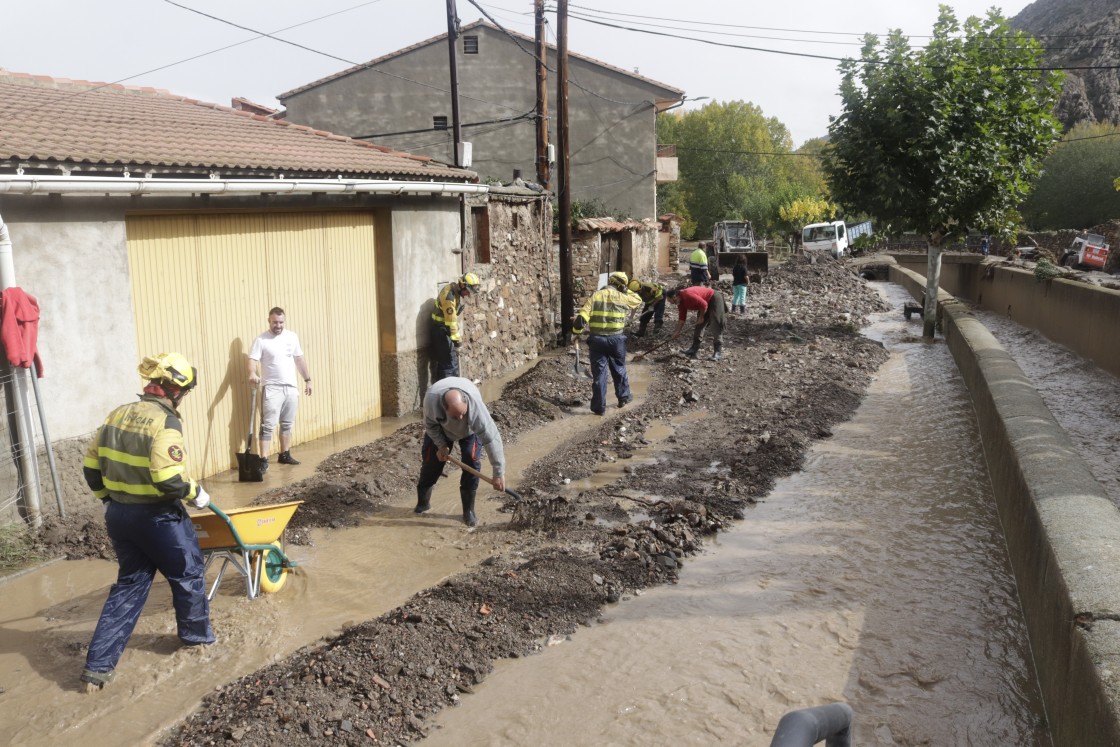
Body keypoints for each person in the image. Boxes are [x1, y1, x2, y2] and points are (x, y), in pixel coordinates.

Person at [80, 353, 215, 691]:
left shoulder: (117, 415)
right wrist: (195, 492)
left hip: (119, 517)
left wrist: (108, 500)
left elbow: (90, 468)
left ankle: (97, 669)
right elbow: (168, 478)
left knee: (129, 586)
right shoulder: (166, 423)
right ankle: (196, 641)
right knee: (188, 575)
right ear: (176, 391)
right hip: (159, 518)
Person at [415, 376, 506, 527]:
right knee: (431, 463)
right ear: (444, 408)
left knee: (471, 461)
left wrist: (498, 473)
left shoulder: (476, 408)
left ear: (466, 403)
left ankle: (468, 511)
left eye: (463, 414)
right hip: (441, 431)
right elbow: (430, 426)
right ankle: (423, 503)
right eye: (456, 416)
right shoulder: (431, 401)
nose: (460, 418)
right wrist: (441, 445)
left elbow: (491, 439)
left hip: (470, 432)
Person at [248, 307, 311, 470]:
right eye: (275, 322)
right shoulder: (261, 340)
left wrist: (308, 379)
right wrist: (251, 373)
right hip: (272, 388)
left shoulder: (292, 337)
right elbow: (252, 360)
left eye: (281, 322)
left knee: (287, 424)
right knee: (268, 425)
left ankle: (285, 454)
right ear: (269, 320)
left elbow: (299, 359)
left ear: (285, 321)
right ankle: (263, 460)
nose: (278, 325)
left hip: (291, 388)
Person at [574, 271, 644, 415]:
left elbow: (581, 318)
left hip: (597, 340)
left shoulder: (596, 295)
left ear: (609, 281)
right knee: (619, 369)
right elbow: (638, 299)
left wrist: (576, 332)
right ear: (621, 286)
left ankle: (599, 408)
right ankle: (623, 398)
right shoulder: (624, 297)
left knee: (599, 374)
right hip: (616, 339)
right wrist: (625, 289)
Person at [430, 272, 481, 382]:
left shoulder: (454, 291)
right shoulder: (450, 298)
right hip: (441, 331)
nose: (468, 294)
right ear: (462, 285)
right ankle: (449, 391)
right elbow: (451, 323)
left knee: (447, 362)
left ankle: (447, 387)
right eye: (468, 291)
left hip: (444, 329)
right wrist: (458, 342)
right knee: (449, 364)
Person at [665, 285, 728, 361]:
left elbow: (704, 304)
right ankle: (694, 349)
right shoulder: (680, 303)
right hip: (704, 304)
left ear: (674, 296)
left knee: (716, 324)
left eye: (670, 301)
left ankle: (717, 352)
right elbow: (682, 318)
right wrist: (677, 332)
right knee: (699, 326)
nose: (671, 303)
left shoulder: (687, 294)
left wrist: (701, 317)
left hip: (714, 298)